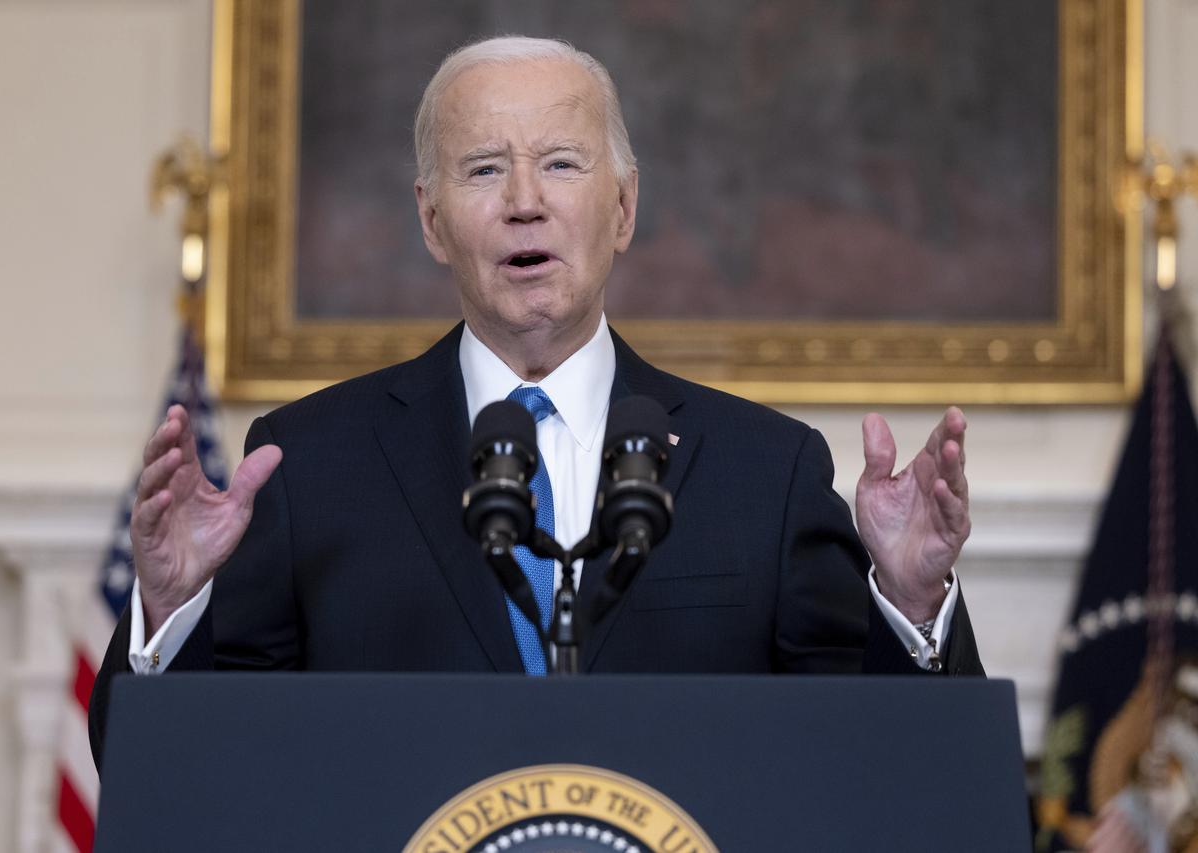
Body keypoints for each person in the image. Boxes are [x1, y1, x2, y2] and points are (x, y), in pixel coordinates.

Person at [90, 36, 981, 766]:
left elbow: (879, 766)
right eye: (482, 170)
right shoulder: (308, 464)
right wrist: (170, 612)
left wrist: (910, 601)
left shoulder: (766, 471)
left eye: (560, 163)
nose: (524, 203)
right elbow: (184, 772)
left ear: (624, 210)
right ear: (432, 221)